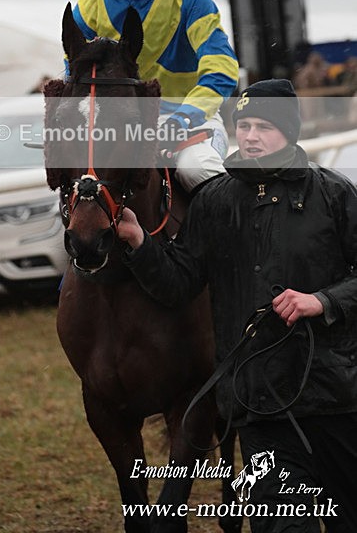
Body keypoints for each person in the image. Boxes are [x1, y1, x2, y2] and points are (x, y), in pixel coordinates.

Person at [117, 78, 357, 532]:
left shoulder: (334, 195)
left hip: (336, 402)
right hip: (259, 406)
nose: (249, 136)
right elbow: (177, 284)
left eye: (262, 126)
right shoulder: (214, 201)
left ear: (289, 131)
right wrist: (138, 243)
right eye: (242, 124)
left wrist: (321, 301)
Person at [70, 0, 239, 192]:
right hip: (123, 131)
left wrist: (182, 119)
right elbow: (76, 85)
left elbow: (222, 69)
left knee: (196, 170)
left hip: (192, 122)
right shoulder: (88, 8)